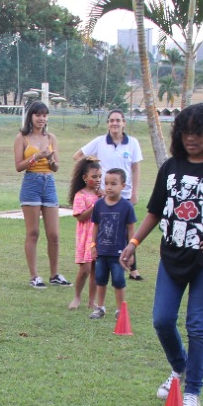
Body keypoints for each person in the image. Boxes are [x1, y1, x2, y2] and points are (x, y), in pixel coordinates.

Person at [119, 103, 203, 406]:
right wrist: (134, 242)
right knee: (162, 320)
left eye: (198, 133)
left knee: (197, 324)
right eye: (185, 132)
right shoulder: (171, 166)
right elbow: (154, 211)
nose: (191, 139)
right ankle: (179, 367)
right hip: (172, 255)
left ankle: (193, 391)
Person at [72, 109, 143, 279]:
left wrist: (134, 193)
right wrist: (94, 176)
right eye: (111, 120)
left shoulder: (132, 143)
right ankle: (103, 264)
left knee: (127, 231)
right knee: (105, 230)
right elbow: (78, 156)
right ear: (107, 123)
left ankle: (132, 268)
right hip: (105, 196)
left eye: (118, 120)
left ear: (124, 122)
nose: (115, 124)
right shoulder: (99, 141)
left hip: (124, 194)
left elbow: (135, 168)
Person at [14, 102, 68, 288]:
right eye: (38, 115)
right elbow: (18, 166)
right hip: (31, 183)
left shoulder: (51, 138)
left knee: (53, 234)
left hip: (49, 183)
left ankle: (54, 274)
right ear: (31, 116)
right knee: (33, 232)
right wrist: (35, 157)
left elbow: (56, 167)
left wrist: (51, 159)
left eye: (45, 115)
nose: (41, 119)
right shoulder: (22, 137)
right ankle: (34, 276)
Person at [88, 168, 136, 320]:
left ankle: (120, 309)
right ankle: (100, 307)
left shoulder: (127, 207)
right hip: (102, 251)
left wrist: (131, 251)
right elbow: (95, 225)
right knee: (100, 279)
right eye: (106, 183)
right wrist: (93, 245)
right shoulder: (99, 205)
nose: (109, 187)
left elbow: (131, 230)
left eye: (113, 184)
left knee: (118, 281)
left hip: (119, 254)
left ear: (123, 185)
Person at [67, 156, 103, 310]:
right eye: (94, 177)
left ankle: (92, 301)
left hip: (98, 236)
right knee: (85, 269)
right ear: (85, 178)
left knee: (96, 269)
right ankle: (77, 297)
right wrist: (96, 205)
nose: (98, 180)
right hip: (85, 237)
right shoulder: (80, 195)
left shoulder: (101, 195)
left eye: (100, 176)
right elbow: (80, 216)